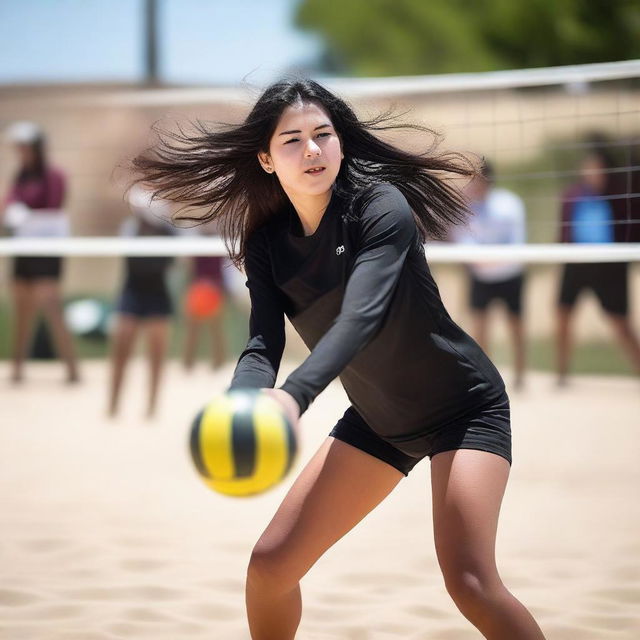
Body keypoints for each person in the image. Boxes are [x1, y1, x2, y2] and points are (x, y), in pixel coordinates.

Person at [130, 78, 546, 639]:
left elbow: (361, 317)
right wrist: (242, 402)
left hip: (464, 408)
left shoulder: (379, 205)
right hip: (380, 422)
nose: (311, 150)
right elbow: (262, 344)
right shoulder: (267, 240)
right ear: (266, 158)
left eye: (323, 135)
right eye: (292, 140)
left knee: (470, 581)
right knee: (270, 567)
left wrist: (295, 398)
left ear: (341, 144)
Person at [2, 121, 80, 384]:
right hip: (24, 248)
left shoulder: (54, 175)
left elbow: (54, 204)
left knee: (51, 306)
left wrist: (27, 214)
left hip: (47, 250)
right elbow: (9, 203)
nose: (21, 152)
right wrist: (12, 212)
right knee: (22, 310)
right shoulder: (20, 176)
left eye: (25, 146)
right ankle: (17, 369)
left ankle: (72, 370)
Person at [556, 142, 640, 385]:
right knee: (562, 315)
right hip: (576, 262)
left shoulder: (620, 195)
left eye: (598, 169)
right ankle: (561, 375)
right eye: (589, 168)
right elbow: (563, 230)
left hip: (609, 265)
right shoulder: (572, 194)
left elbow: (630, 229)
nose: (593, 173)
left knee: (620, 323)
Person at [453, 159, 527, 389]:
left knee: (516, 325)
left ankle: (520, 376)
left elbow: (518, 241)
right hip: (481, 276)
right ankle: (486, 378)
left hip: (510, 274)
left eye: (476, 178)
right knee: (480, 328)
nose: (473, 183)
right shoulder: (466, 207)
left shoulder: (510, 204)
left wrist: (491, 260)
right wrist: (481, 261)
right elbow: (462, 241)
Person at [108, 185, 175, 418]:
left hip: (158, 294)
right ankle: (113, 404)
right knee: (121, 346)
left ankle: (152, 407)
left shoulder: (167, 232)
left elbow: (173, 260)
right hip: (132, 292)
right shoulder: (130, 228)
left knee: (157, 351)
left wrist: (159, 220)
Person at [182, 252, 228, 371]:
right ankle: (188, 363)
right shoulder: (197, 243)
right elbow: (189, 267)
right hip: (201, 286)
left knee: (214, 329)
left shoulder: (217, 244)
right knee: (195, 329)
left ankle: (218, 362)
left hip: (213, 287)